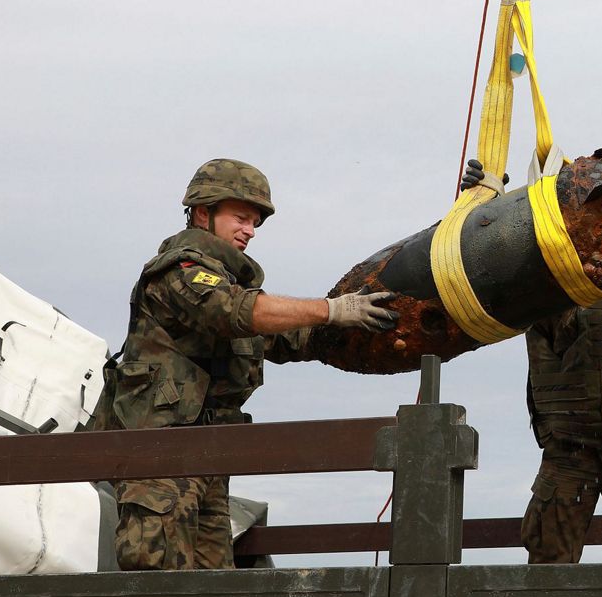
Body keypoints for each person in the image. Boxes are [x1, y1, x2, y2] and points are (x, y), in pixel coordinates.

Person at [93, 158, 399, 571]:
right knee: (160, 593)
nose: (249, 231)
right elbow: (233, 312)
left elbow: (287, 337)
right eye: (240, 218)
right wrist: (331, 309)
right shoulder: (180, 271)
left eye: (254, 222)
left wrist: (373, 326)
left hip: (210, 460)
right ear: (204, 213)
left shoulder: (234, 284)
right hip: (160, 464)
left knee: (219, 596)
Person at [460, 159, 602, 564]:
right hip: (568, 454)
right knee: (546, 578)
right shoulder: (540, 282)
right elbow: (480, 261)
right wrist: (484, 203)